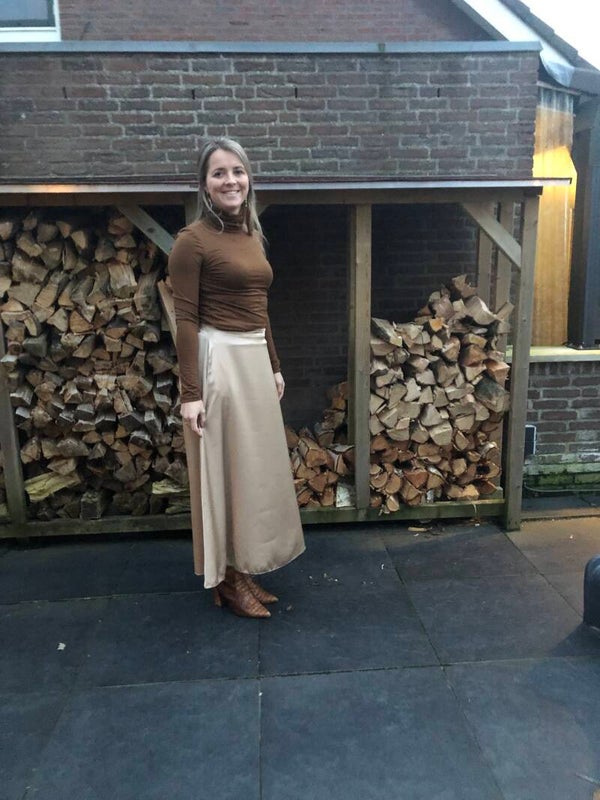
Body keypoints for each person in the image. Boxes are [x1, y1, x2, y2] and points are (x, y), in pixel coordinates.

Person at [168, 136, 305, 619]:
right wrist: (190, 393)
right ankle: (226, 580)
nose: (231, 181)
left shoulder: (250, 235)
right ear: (204, 185)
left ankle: (241, 568)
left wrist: (274, 363)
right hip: (219, 362)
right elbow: (185, 319)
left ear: (249, 178)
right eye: (219, 173)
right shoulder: (192, 241)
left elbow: (259, 308)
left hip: (252, 359)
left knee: (252, 470)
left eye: (238, 171)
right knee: (224, 470)